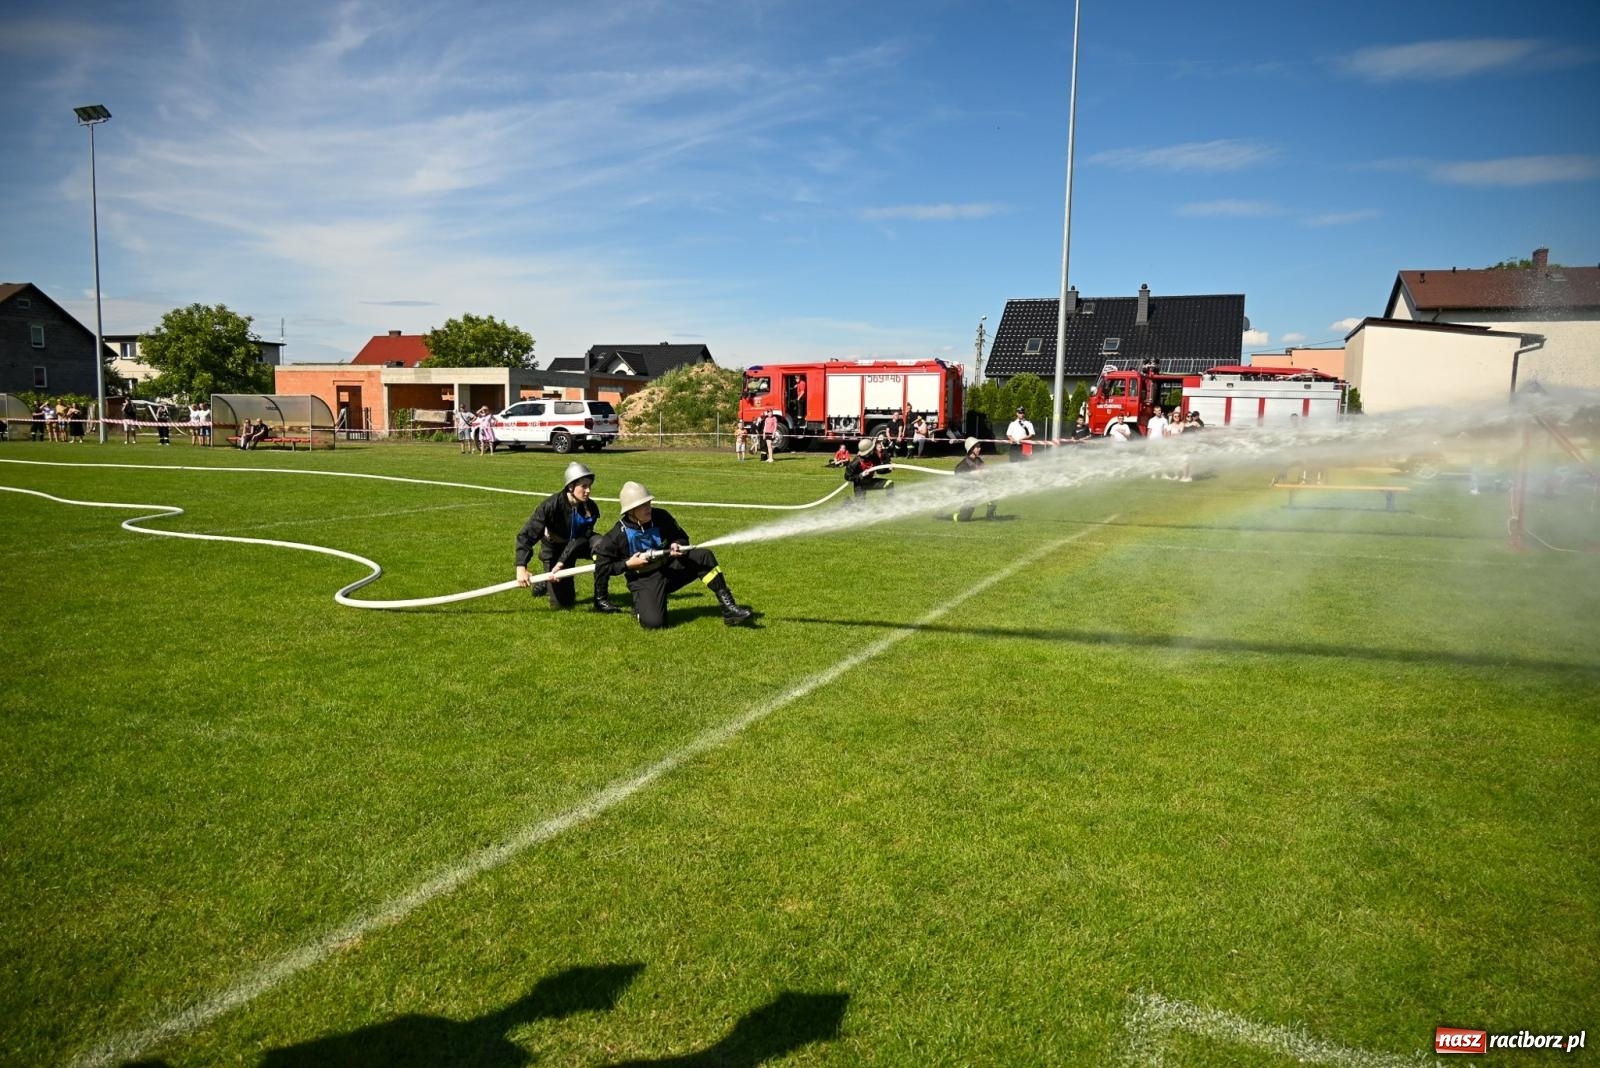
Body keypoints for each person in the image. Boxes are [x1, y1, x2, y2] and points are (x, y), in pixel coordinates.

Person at [595, 481, 754, 629]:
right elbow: (602, 567)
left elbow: (681, 536)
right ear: (630, 510)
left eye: (649, 503)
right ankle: (640, 606)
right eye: (642, 505)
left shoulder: (661, 517)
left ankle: (729, 609)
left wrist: (677, 544)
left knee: (703, 556)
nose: (648, 507)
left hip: (669, 568)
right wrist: (628, 565)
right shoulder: (616, 536)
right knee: (654, 623)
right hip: (644, 580)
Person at [514, 461, 620, 613]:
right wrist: (521, 567)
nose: (588, 491)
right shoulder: (550, 506)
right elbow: (526, 535)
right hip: (554, 548)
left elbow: (583, 538)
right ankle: (545, 581)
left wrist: (563, 562)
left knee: (602, 546)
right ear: (571, 486)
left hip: (577, 544)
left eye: (589, 486)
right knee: (562, 604)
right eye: (583, 486)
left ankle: (601, 600)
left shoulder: (590, 507)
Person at [952, 436, 998, 522]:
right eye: (977, 447)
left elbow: (985, 474)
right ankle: (949, 516)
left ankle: (990, 517)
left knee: (994, 494)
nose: (979, 449)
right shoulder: (963, 465)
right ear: (971, 448)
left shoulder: (979, 460)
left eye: (979, 446)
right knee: (964, 518)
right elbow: (959, 478)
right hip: (968, 493)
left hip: (979, 489)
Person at [844, 437, 893, 501]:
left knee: (889, 483)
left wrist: (888, 468)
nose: (874, 449)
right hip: (860, 485)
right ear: (868, 451)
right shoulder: (855, 463)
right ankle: (848, 503)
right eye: (872, 449)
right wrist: (861, 475)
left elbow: (878, 469)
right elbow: (847, 477)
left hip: (870, 482)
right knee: (860, 508)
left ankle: (892, 504)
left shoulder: (874, 456)